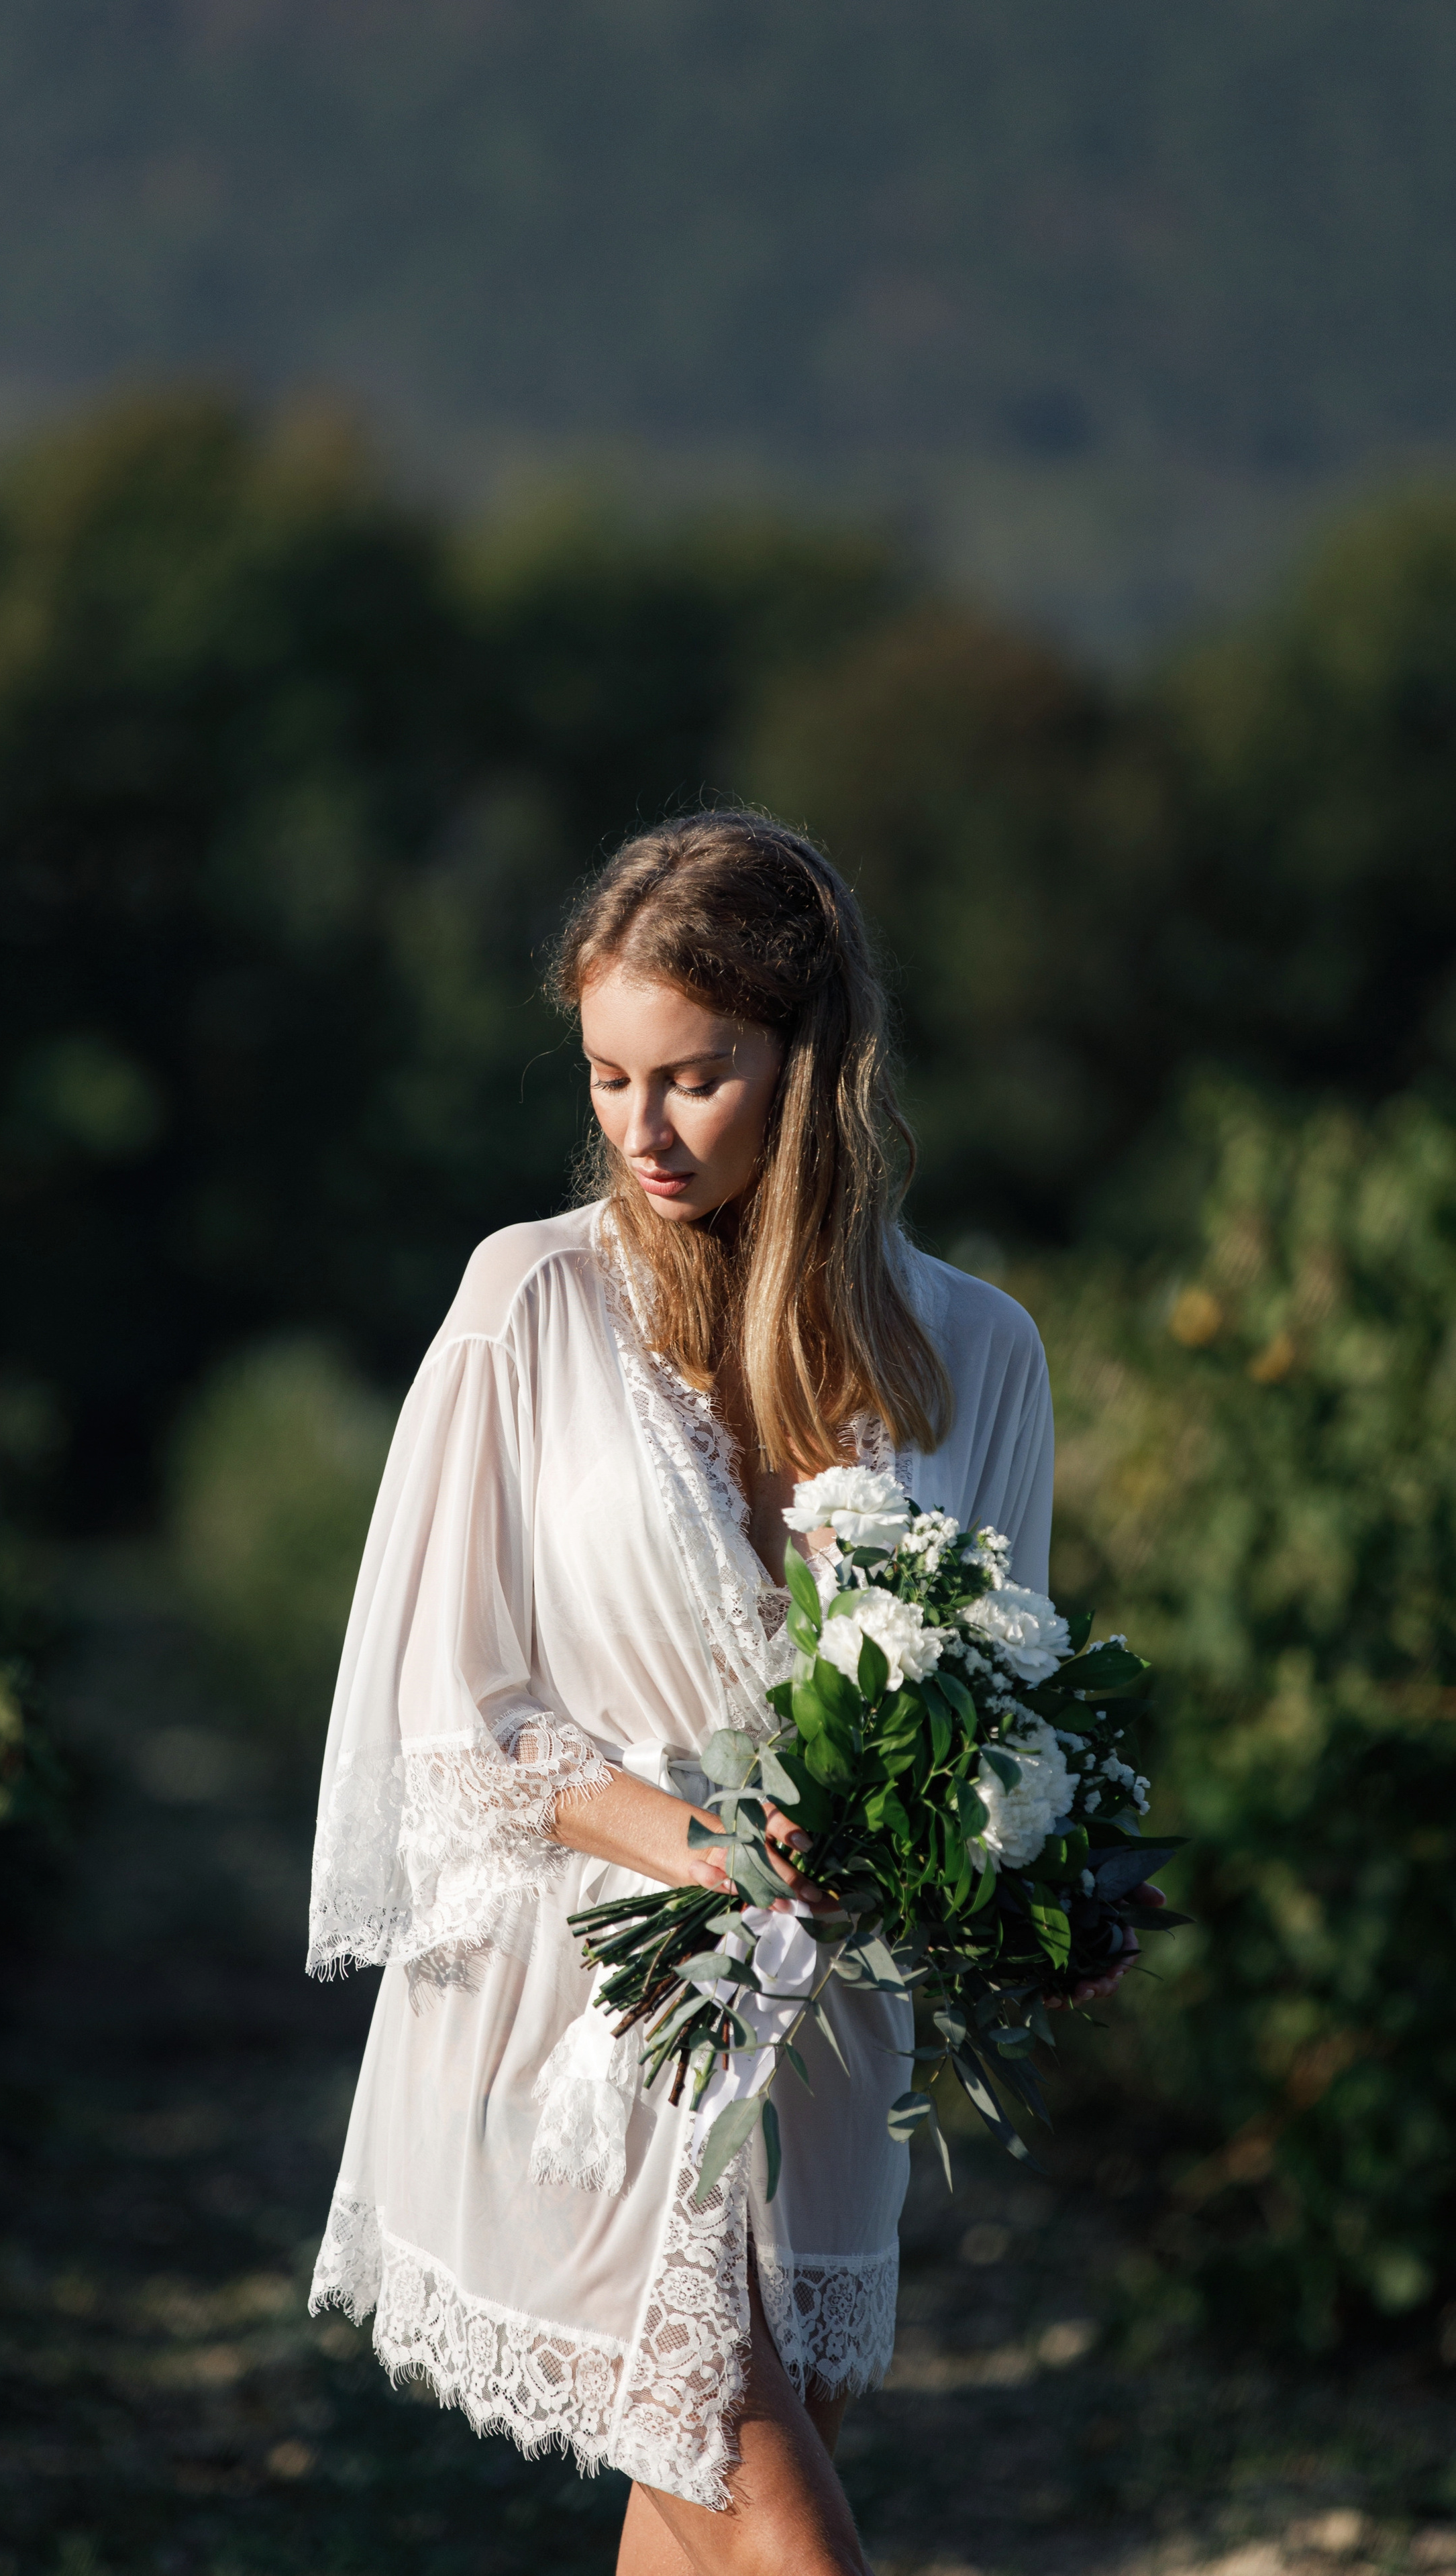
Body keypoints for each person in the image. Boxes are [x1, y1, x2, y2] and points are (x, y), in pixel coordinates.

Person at [307, 812, 1143, 2575]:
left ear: (808, 1065)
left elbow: (1003, 1699)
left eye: (693, 1078)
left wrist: (1042, 1894)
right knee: (791, 2543)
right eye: (611, 1077)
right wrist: (708, 1841)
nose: (641, 1130)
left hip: (823, 2047)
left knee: (699, 2541)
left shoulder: (976, 1353)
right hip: (581, 2018)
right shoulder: (527, 1306)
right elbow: (454, 1720)